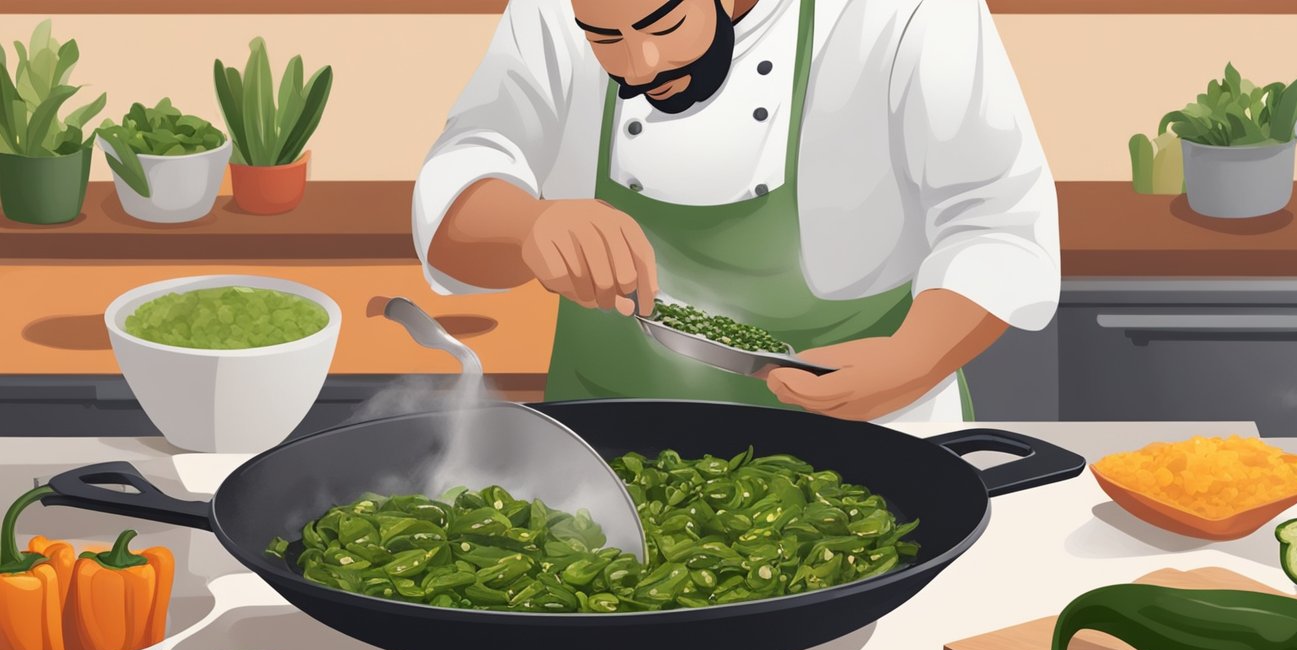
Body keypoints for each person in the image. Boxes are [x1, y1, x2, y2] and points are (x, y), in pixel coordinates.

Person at [411, 0, 1060, 425]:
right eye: (604, 37)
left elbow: (996, 218)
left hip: (868, 432)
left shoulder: (902, 11)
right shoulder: (552, 6)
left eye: (665, 26)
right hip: (602, 449)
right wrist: (528, 225)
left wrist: (913, 360)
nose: (641, 67)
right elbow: (469, 160)